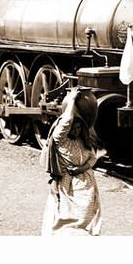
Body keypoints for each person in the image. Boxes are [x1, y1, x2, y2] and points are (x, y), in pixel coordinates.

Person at [40, 88, 102, 236]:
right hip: (69, 186)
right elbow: (65, 122)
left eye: (79, 128)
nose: (76, 131)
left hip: (86, 184)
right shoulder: (61, 140)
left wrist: (82, 168)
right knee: (67, 219)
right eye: (73, 129)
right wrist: (72, 100)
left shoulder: (83, 141)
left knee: (87, 216)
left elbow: (93, 158)